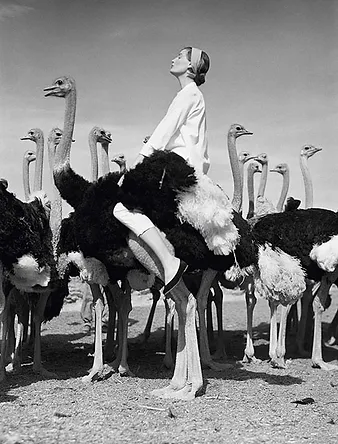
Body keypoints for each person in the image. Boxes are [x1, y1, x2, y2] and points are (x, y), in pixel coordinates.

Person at [113, 46, 210, 295]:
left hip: (174, 171)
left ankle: (169, 262)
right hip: (181, 170)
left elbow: (164, 130)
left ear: (190, 67)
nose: (173, 58)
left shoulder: (188, 94)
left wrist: (138, 162)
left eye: (179, 56)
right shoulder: (193, 95)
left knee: (121, 208)